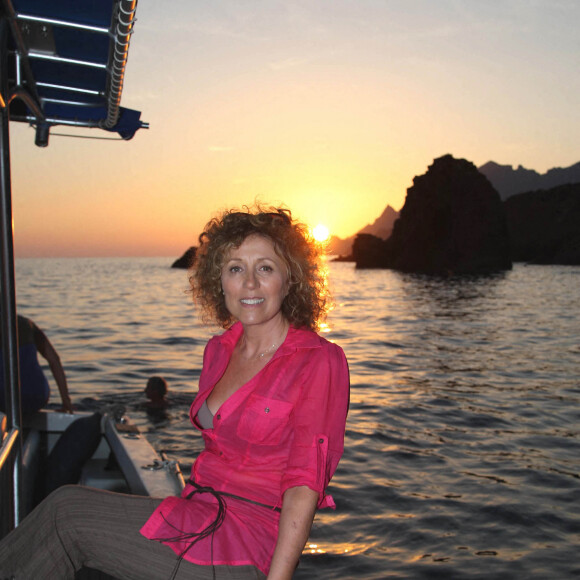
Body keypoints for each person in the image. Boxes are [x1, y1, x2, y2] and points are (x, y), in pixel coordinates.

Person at [0, 206, 350, 580]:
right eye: (235, 268)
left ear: (290, 278)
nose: (249, 283)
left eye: (265, 267)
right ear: (220, 280)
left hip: (249, 541)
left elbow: (303, 485)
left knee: (65, 515)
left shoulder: (319, 360)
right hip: (193, 514)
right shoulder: (218, 350)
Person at [0, 314, 73, 414]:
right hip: (37, 396)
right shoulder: (27, 324)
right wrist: (66, 401)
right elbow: (54, 360)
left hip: (5, 398)